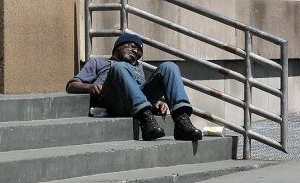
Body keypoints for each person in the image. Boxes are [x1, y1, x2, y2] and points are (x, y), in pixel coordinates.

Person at [66, 33, 202, 141]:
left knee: (169, 67)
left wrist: (156, 102)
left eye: (138, 52)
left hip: (135, 105)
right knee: (120, 66)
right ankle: (146, 120)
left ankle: (181, 121)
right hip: (113, 101)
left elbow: (138, 90)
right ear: (118, 46)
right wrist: (90, 87)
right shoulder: (98, 63)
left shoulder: (138, 67)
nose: (135, 51)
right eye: (131, 46)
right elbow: (71, 85)